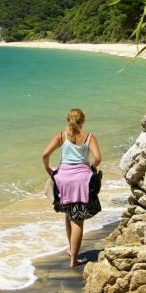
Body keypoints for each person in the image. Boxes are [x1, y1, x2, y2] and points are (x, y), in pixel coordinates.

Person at [42, 108, 102, 268]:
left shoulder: (62, 136)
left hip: (63, 179)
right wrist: (91, 168)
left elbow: (45, 154)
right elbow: (97, 158)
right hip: (81, 181)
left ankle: (71, 250)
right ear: (82, 120)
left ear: (68, 119)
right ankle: (73, 260)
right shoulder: (89, 137)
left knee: (69, 214)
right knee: (78, 220)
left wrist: (49, 170)